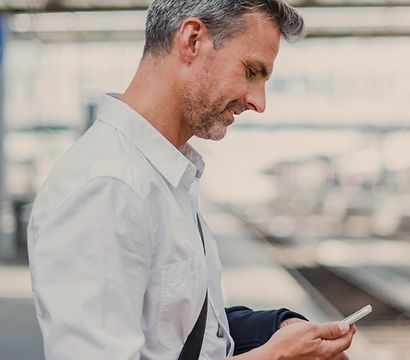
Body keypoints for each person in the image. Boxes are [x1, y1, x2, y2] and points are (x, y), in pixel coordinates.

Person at [27, 0, 357, 359]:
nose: (259, 102)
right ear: (192, 40)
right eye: (251, 71)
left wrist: (275, 329)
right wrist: (273, 356)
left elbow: (175, 333)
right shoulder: (107, 187)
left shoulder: (160, 175)